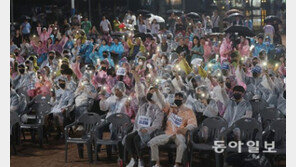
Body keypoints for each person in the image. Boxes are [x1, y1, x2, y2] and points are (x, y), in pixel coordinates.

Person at [125, 71, 164, 167]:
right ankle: (134, 159)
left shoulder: (159, 109)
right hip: (139, 129)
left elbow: (157, 125)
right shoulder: (144, 105)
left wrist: (147, 129)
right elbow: (139, 90)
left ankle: (141, 161)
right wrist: (137, 78)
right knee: (128, 138)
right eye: (149, 91)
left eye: (152, 92)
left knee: (136, 139)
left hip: (150, 132)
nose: (150, 93)